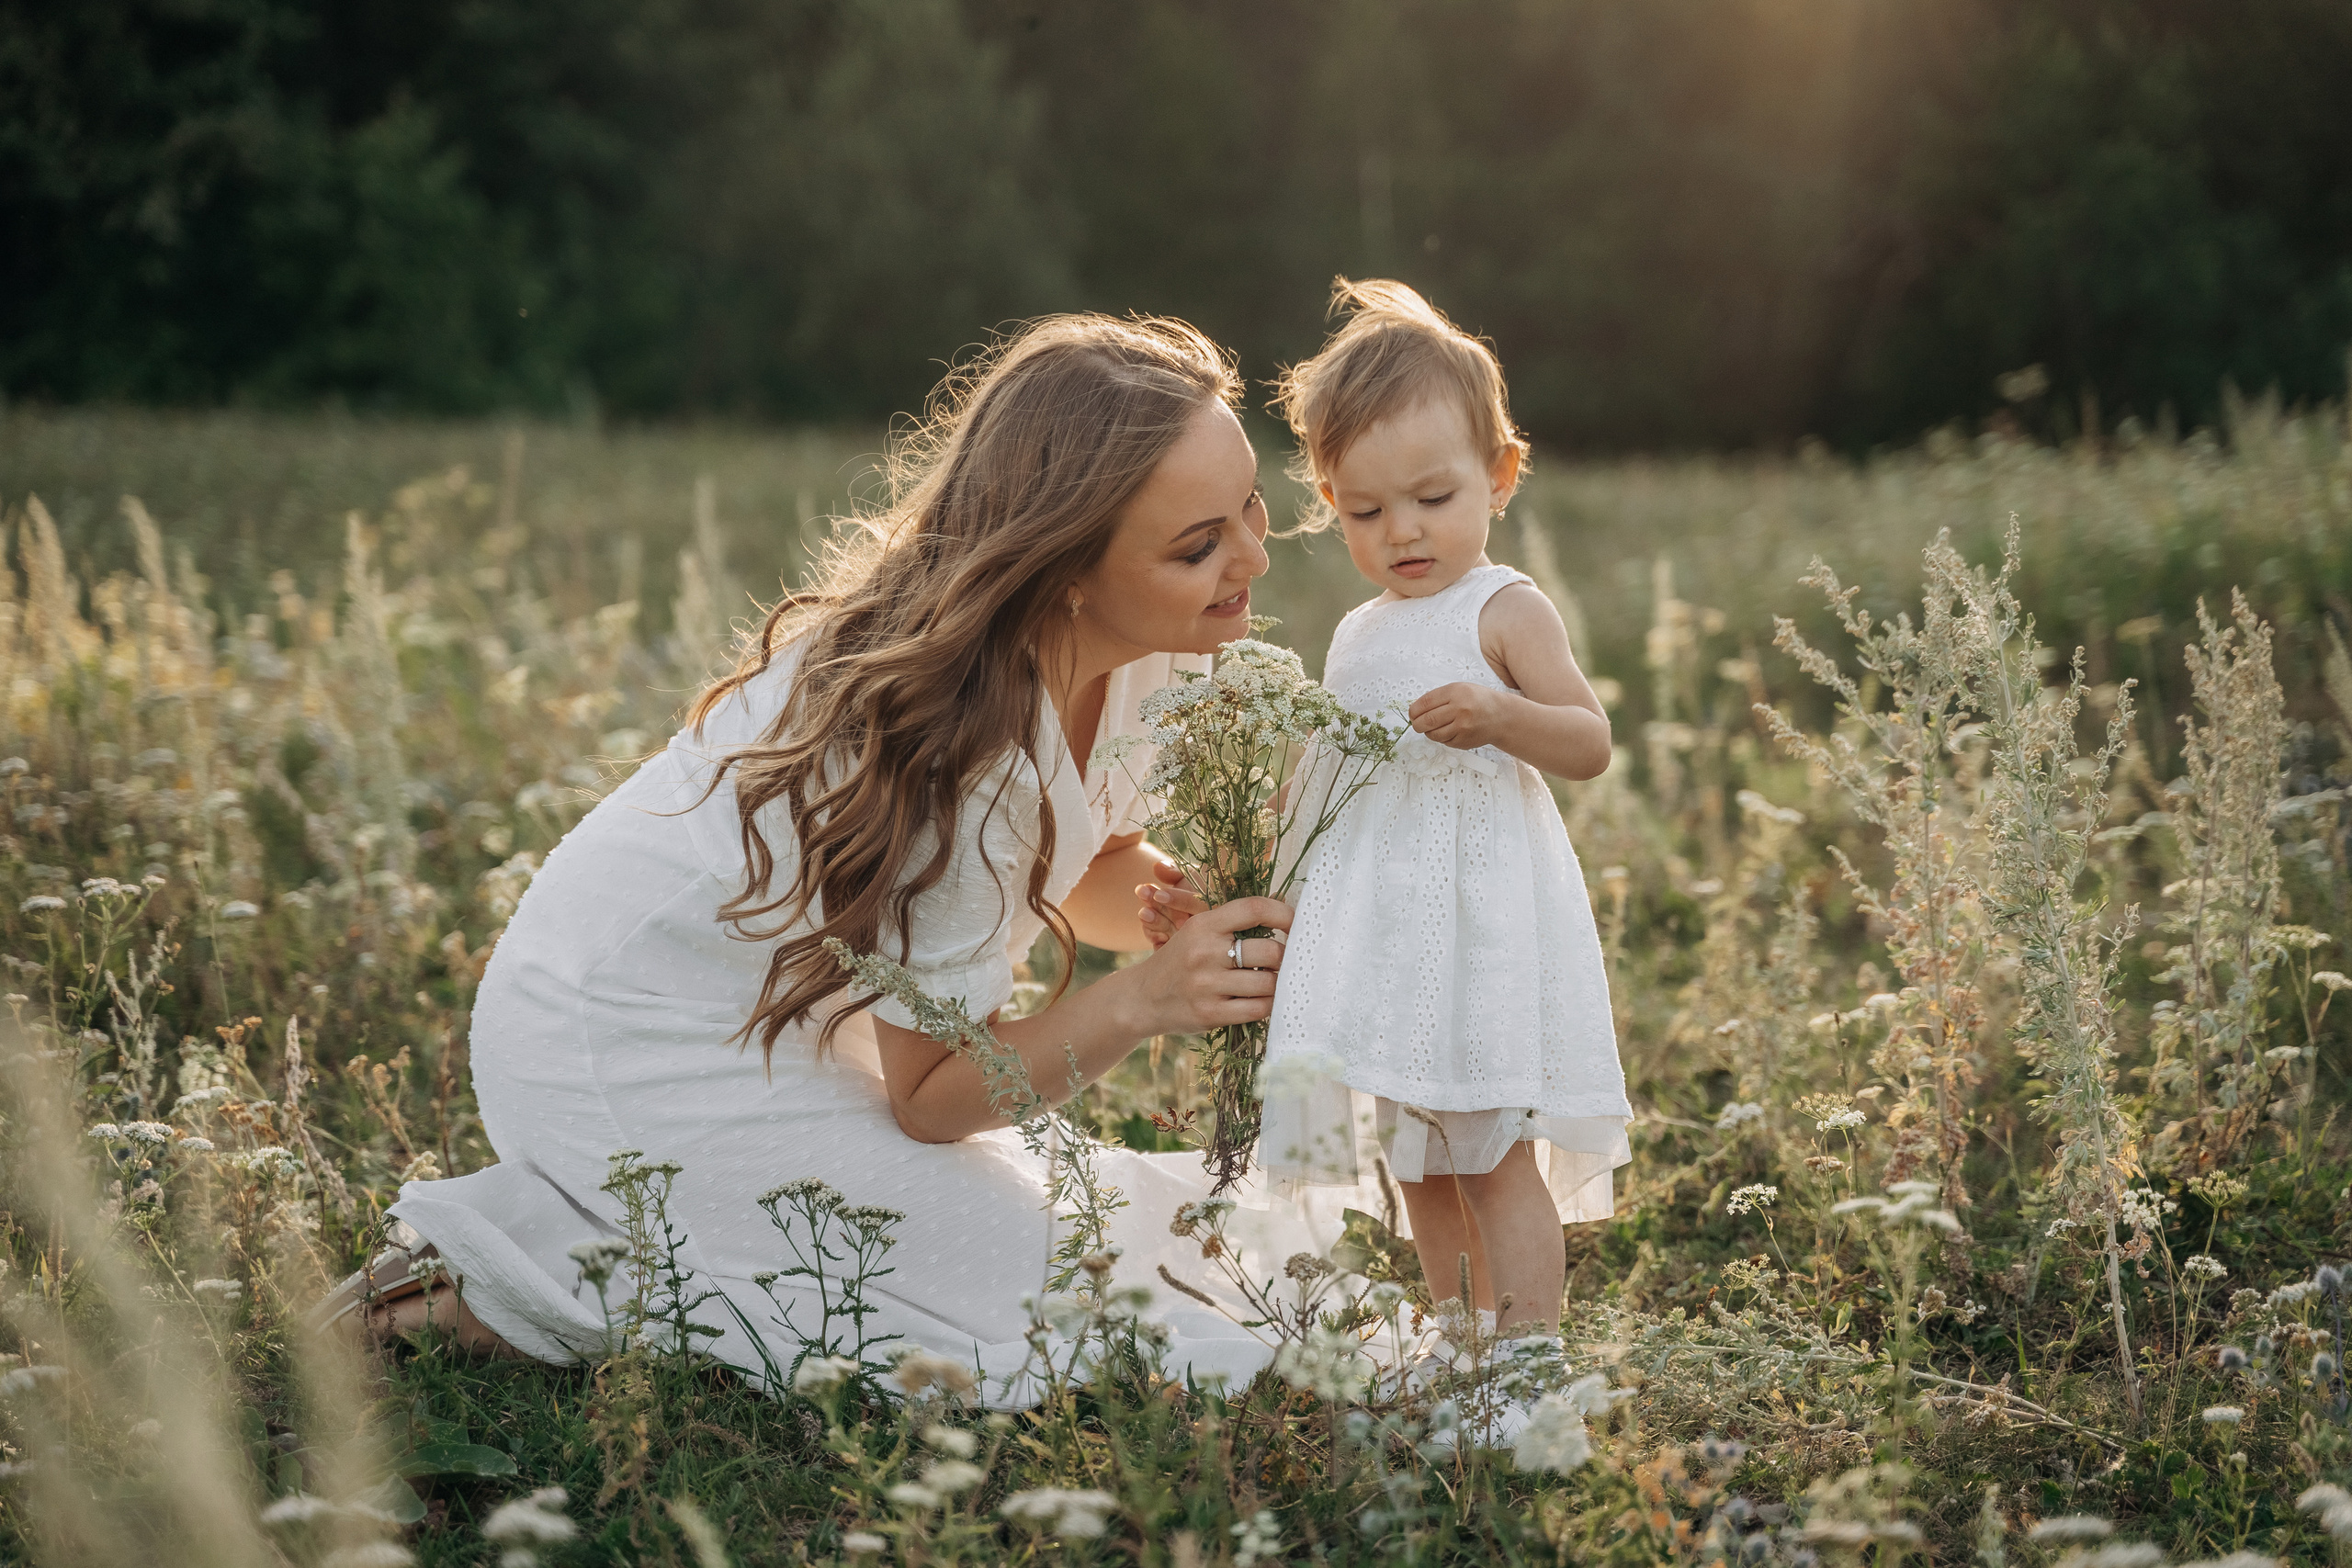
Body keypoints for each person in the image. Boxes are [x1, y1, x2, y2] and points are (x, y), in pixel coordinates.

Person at [315, 314, 1305, 1400]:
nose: (1253, 556)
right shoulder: (958, 743)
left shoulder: (1151, 654)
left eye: (1249, 504)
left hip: (794, 1020)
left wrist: (1175, 903)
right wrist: (1143, 1003)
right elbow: (930, 1094)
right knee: (1055, 1292)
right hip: (625, 1034)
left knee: (1124, 1245)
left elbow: (1086, 853)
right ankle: (498, 1281)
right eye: (1197, 544)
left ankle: (587, 1231)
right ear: (1063, 571)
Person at [1141, 279, 1631, 1361]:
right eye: (1364, 512)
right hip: (1392, 938)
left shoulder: (1504, 607)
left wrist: (1506, 715)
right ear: (1325, 499)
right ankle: (1454, 1342)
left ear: (1499, 476)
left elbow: (1588, 743)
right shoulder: (1358, 632)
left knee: (1491, 1146)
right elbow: (1326, 772)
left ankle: (1529, 1353)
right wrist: (1255, 847)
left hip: (1481, 927)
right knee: (1419, 1161)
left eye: (1432, 498)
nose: (1402, 531)